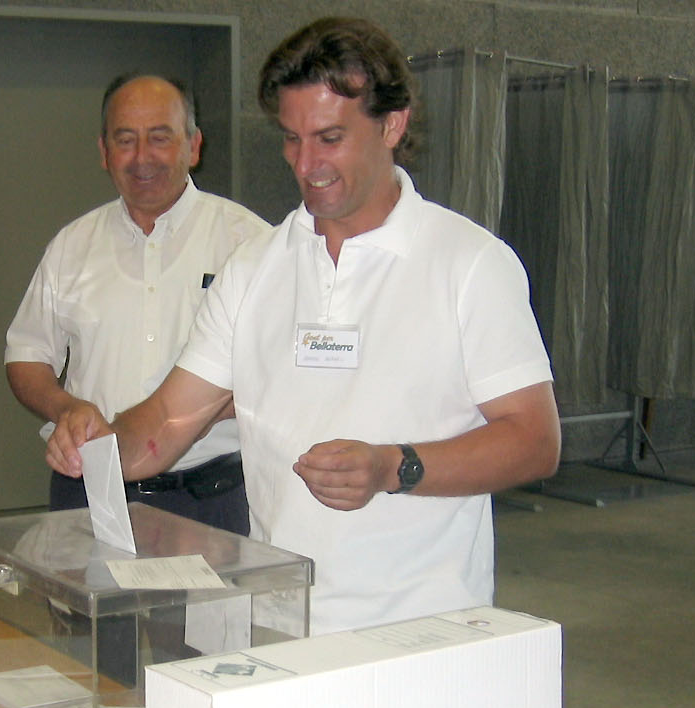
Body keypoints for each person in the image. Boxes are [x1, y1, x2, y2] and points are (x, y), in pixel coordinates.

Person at [47, 18, 561, 634]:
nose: (307, 164)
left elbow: (535, 440)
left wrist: (393, 467)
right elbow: (166, 422)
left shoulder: (470, 264)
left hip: (422, 625)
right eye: (292, 139)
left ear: (392, 124)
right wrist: (96, 444)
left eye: (330, 137)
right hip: (279, 617)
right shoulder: (255, 268)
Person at [5, 73, 269, 535]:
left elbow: (278, 373)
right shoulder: (72, 246)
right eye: (125, 140)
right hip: (89, 491)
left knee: (205, 610)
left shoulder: (249, 244)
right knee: (82, 611)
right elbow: (27, 356)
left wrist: (195, 418)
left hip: (209, 500)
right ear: (104, 152)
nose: (142, 157)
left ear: (194, 146)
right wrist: (65, 408)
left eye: (160, 138)